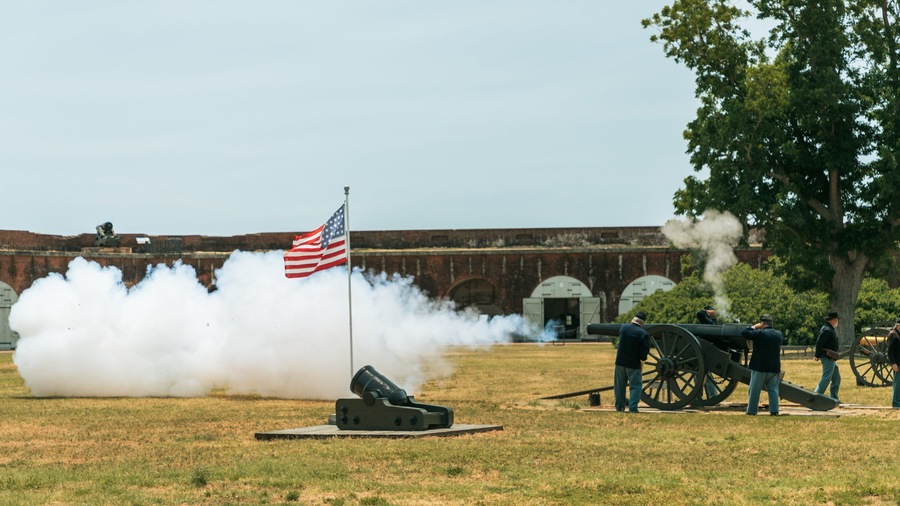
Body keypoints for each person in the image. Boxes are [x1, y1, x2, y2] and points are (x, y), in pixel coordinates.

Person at [741, 314, 783, 415]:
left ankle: (751, 411)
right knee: (773, 390)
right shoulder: (778, 334)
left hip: (760, 366)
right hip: (774, 367)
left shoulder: (760, 333)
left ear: (762, 323)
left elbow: (744, 333)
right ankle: (774, 411)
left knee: (754, 390)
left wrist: (754, 326)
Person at [614, 311, 650, 413]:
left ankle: (619, 407)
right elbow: (644, 352)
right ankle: (633, 408)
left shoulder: (623, 328)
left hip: (620, 362)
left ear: (633, 320)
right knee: (635, 386)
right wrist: (642, 360)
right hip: (633, 364)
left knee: (619, 386)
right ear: (642, 323)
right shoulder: (643, 333)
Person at [814, 311, 842, 403]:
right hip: (827, 357)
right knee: (826, 377)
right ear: (833, 320)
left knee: (836, 378)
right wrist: (817, 355)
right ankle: (816, 397)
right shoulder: (826, 329)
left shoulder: (829, 328)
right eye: (837, 319)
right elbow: (819, 343)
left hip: (831, 357)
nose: (837, 321)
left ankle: (834, 398)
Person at [888, 318, 900, 409]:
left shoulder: (898, 334)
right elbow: (890, 351)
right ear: (898, 325)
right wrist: (893, 363)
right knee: (897, 383)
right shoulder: (893, 334)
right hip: (897, 363)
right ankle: (895, 402)